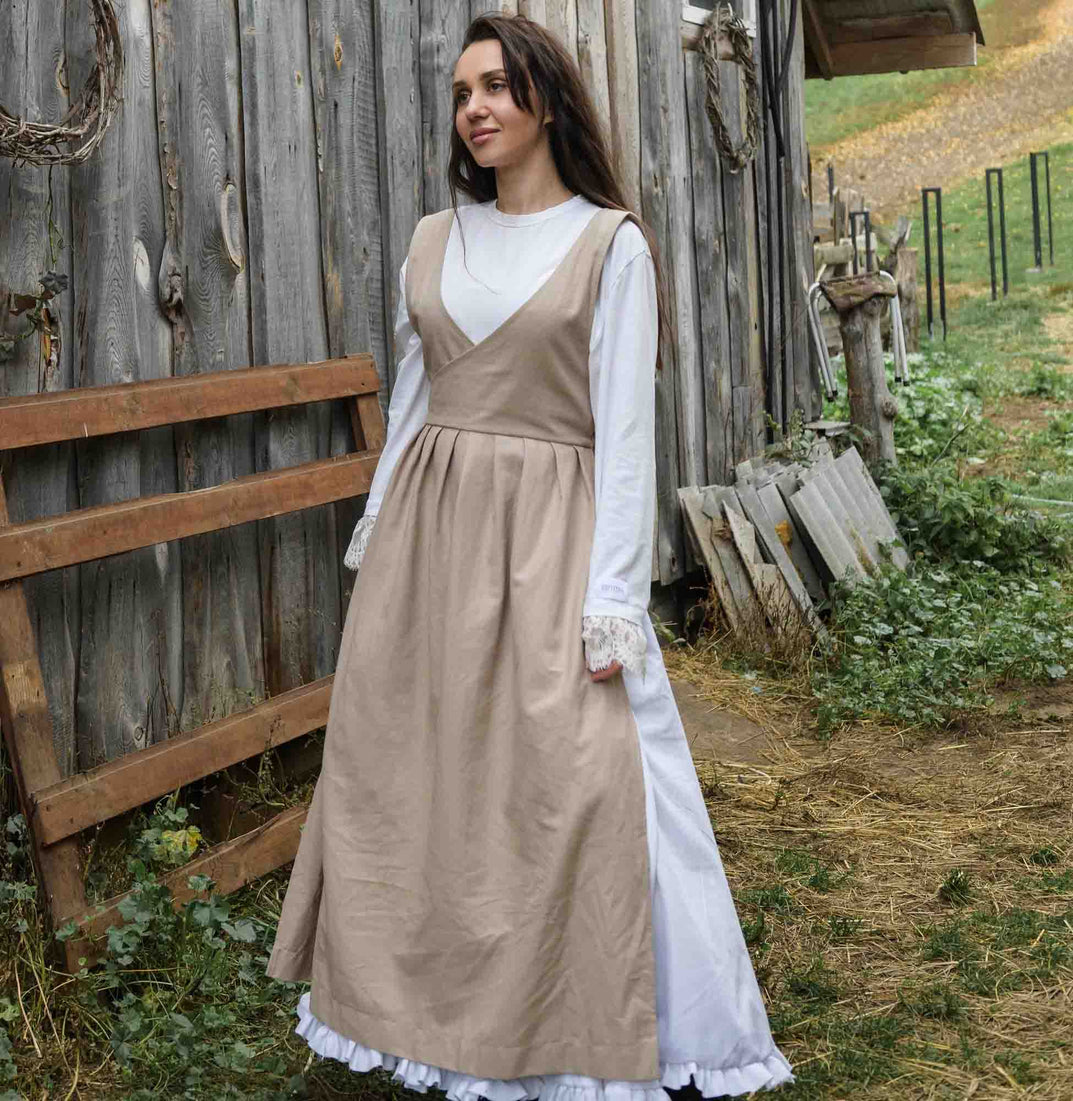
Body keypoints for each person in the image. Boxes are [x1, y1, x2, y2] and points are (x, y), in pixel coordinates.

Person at [266, 12, 792, 1100]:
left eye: (497, 86)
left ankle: (590, 1021)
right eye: (462, 91)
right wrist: (378, 530)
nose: (475, 107)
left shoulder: (611, 244)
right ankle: (415, 1016)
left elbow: (622, 432)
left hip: (551, 538)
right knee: (413, 783)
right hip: (428, 538)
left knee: (578, 777)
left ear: (545, 99)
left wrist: (612, 599)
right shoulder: (432, 238)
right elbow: (412, 402)